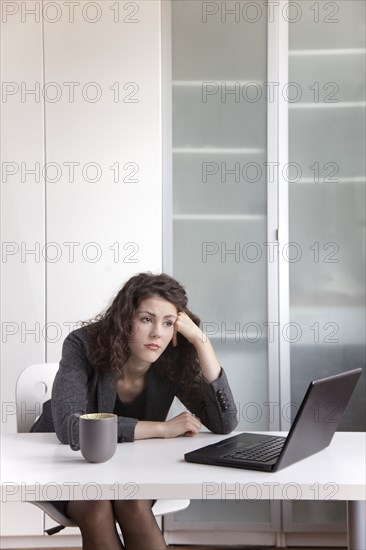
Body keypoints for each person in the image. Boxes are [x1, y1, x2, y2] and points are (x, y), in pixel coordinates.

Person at [31, 272, 238, 550]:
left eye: (168, 323)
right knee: (97, 505)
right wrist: (162, 429)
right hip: (66, 463)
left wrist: (202, 342)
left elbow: (223, 422)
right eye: (146, 319)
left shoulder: (170, 359)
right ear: (124, 319)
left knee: (133, 500)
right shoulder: (82, 345)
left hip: (131, 468)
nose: (157, 333)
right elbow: (72, 428)